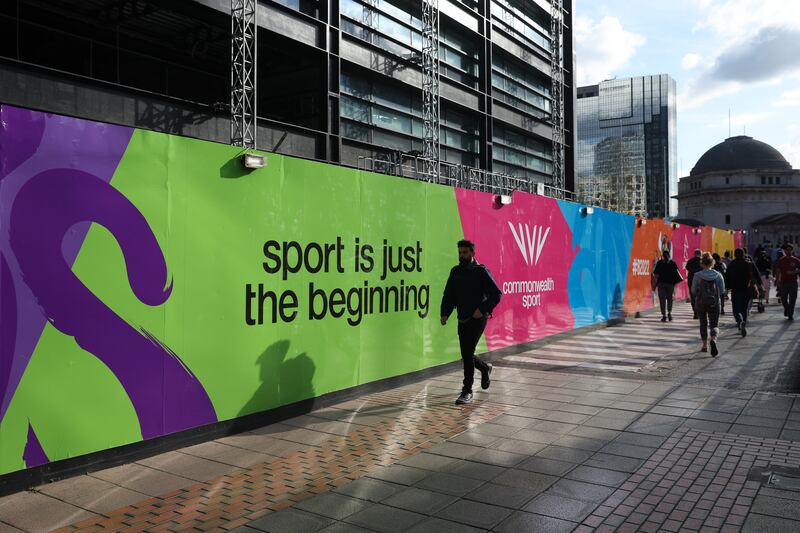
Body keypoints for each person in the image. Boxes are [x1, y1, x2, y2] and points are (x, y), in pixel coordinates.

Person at [440, 239, 502, 405]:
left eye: (465, 252)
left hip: (478, 318)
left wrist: (482, 309)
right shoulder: (455, 272)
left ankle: (467, 390)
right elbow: (449, 295)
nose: (462, 255)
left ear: (473, 253)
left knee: (467, 353)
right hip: (462, 318)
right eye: (460, 253)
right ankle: (484, 368)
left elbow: (496, 294)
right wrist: (445, 313)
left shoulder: (481, 272)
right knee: (466, 354)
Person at [692, 253, 725, 356]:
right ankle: (713, 339)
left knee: (703, 323)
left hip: (701, 303)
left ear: (702, 263)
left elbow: (693, 290)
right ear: (712, 263)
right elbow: (722, 290)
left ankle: (705, 345)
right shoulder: (718, 275)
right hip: (715, 303)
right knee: (714, 324)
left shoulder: (697, 275)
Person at [725, 248, 755, 337]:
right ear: (743, 254)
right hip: (746, 289)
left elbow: (727, 277)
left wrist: (728, 288)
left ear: (735, 255)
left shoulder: (731, 265)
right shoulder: (748, 264)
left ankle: (739, 321)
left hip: (736, 290)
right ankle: (743, 324)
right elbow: (754, 276)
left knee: (736, 309)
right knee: (744, 309)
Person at [653, 250, 683, 322]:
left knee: (662, 300)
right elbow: (676, 274)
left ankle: (664, 315)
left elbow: (656, 274)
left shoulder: (659, 263)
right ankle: (669, 313)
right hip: (670, 284)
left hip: (661, 284)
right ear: (669, 255)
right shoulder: (673, 263)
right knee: (670, 299)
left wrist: (654, 284)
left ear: (662, 256)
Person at [774, 243, 800, 320]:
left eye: (790, 250)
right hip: (783, 282)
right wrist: (777, 280)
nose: (788, 251)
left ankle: (790, 314)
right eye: (787, 250)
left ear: (792, 250)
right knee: (783, 299)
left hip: (793, 283)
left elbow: (799, 269)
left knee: (793, 299)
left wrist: (794, 272)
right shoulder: (781, 260)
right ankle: (787, 308)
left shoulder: (796, 260)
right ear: (785, 251)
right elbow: (778, 270)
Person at [685, 249, 703, 319]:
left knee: (693, 297)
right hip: (701, 282)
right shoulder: (703, 261)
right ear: (700, 254)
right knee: (701, 297)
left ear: (694, 254)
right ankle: (700, 311)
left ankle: (695, 312)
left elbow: (687, 268)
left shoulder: (690, 261)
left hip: (691, 281)